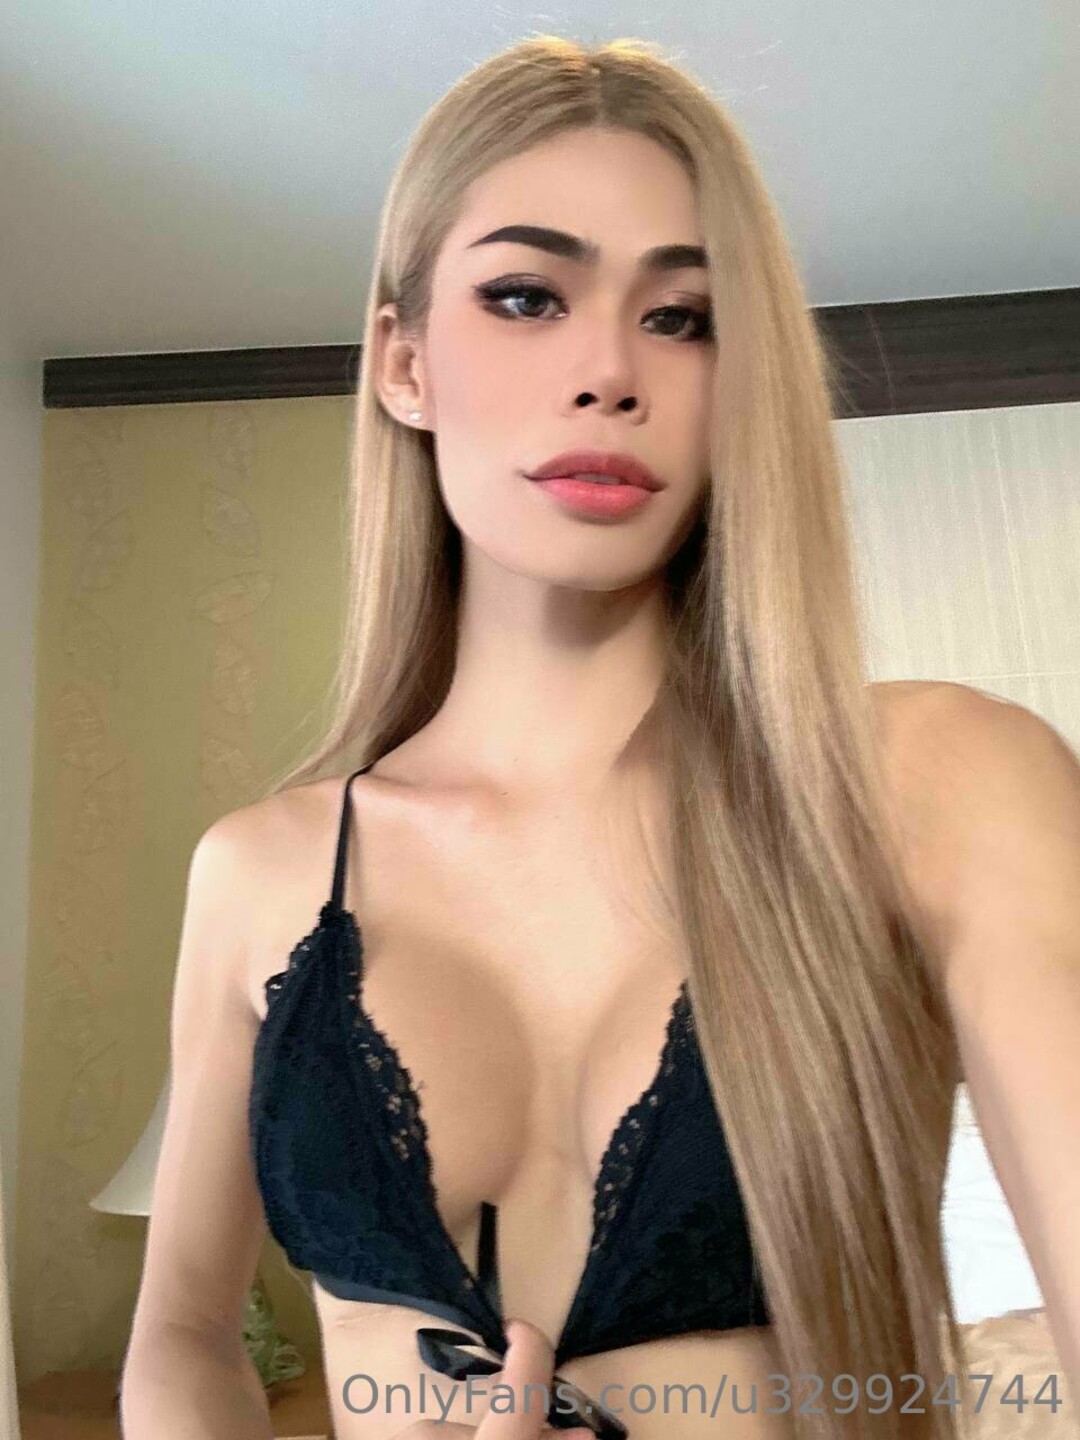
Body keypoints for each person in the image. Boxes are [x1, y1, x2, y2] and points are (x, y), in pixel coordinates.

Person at [119, 32, 1080, 1440]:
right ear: (404, 364)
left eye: (684, 317)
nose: (611, 370)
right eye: (526, 297)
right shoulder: (261, 871)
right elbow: (182, 1338)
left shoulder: (934, 783)